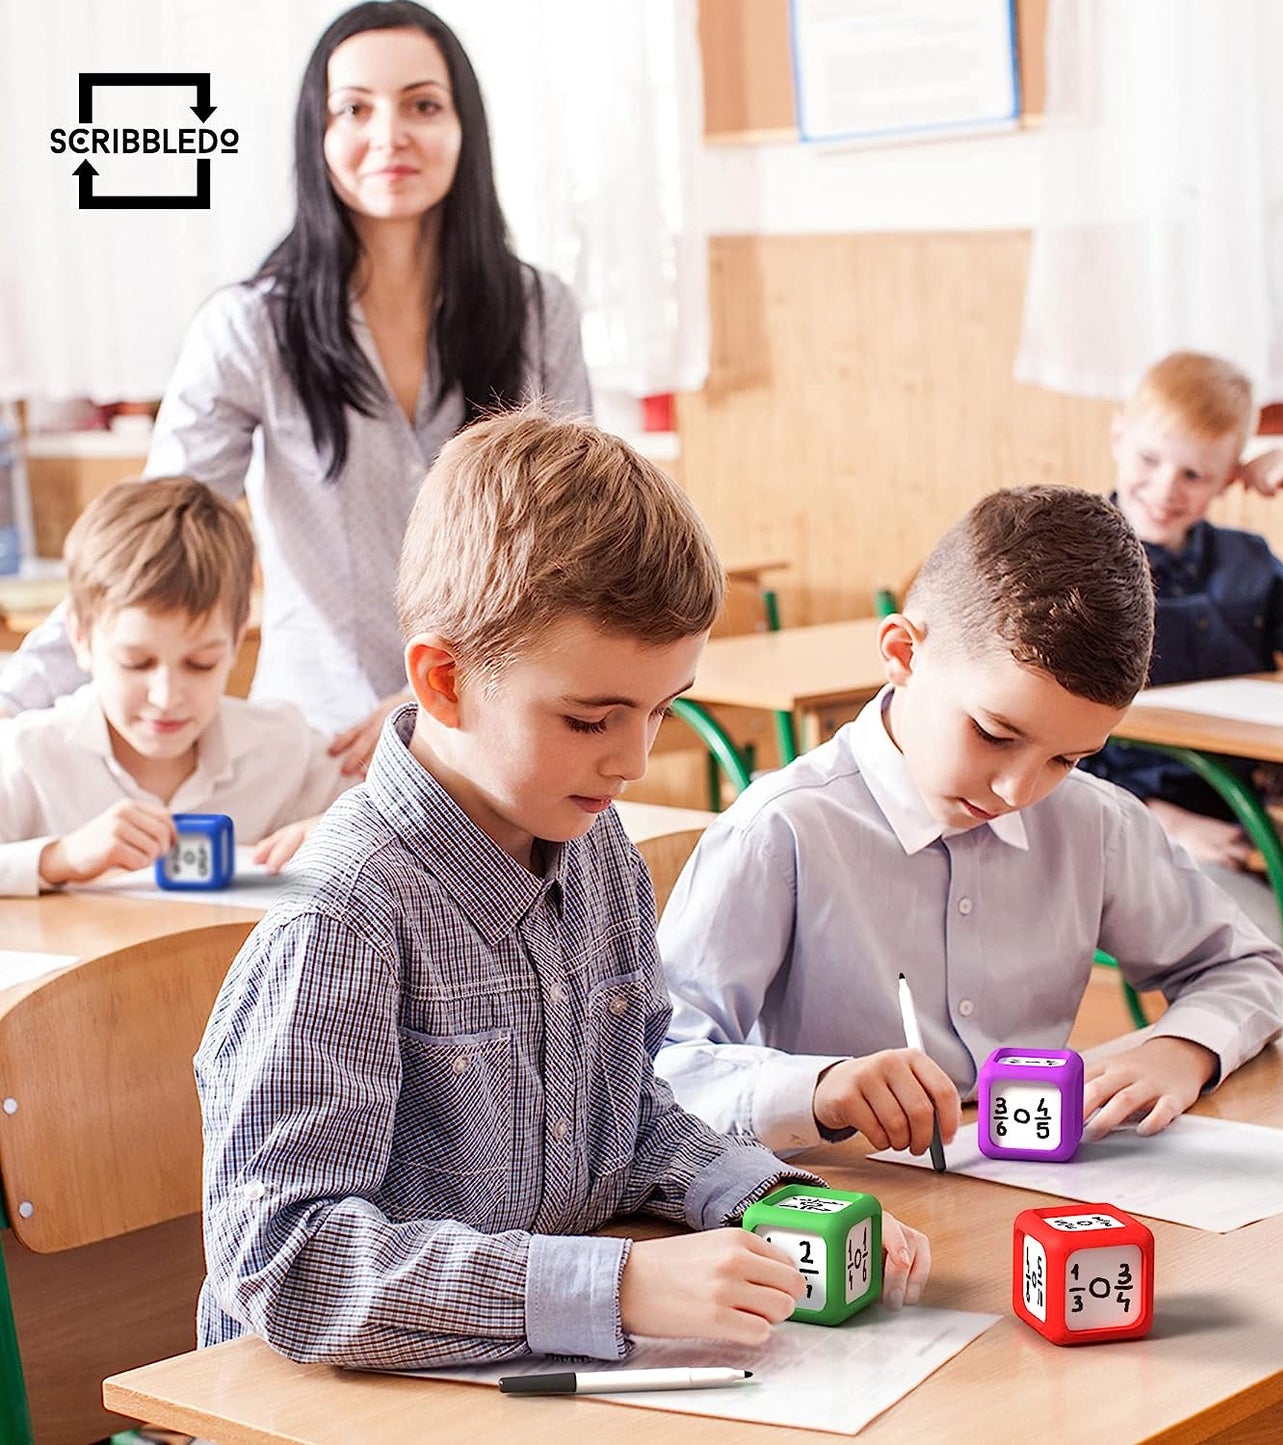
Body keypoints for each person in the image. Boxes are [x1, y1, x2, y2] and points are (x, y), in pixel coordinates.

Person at [194, 410, 930, 1369]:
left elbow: (617, 1121)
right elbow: (286, 1265)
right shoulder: (339, 920)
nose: (632, 760)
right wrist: (616, 1283)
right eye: (591, 718)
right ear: (445, 680)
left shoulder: (595, 850)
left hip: (530, 1383)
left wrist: (767, 1198)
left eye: (664, 711)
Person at [0, 0, 591, 772]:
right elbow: (151, 548)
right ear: (317, 133)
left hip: (504, 735)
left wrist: (449, 692)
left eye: (422, 104)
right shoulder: (251, 328)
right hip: (326, 754)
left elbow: (579, 548)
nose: (389, 135)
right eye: (353, 108)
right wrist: (12, 702)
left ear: (463, 128)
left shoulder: (536, 311)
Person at [655, 486, 1283, 1159]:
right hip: (849, 1205)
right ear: (901, 653)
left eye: (1066, 758)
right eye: (993, 732)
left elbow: (1243, 965)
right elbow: (656, 1070)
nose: (1019, 788)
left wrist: (1179, 1050)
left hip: (1031, 1185)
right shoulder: (781, 831)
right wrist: (817, 1087)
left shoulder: (1092, 823)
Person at [1082, 351, 1283, 940]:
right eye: (1149, 459)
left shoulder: (1244, 562)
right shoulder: (1074, 565)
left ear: (1229, 477)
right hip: (1133, 823)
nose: (1167, 489)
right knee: (1269, 939)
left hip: (1268, 820)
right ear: (1118, 435)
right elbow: (1044, 736)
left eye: (1195, 475)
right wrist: (1162, 821)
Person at [0, 479, 349, 896]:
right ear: (80, 638)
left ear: (237, 640)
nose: (166, 697)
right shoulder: (26, 756)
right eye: (136, 663)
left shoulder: (286, 747)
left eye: (200, 664)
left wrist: (345, 837)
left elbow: (408, 825)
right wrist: (58, 858)